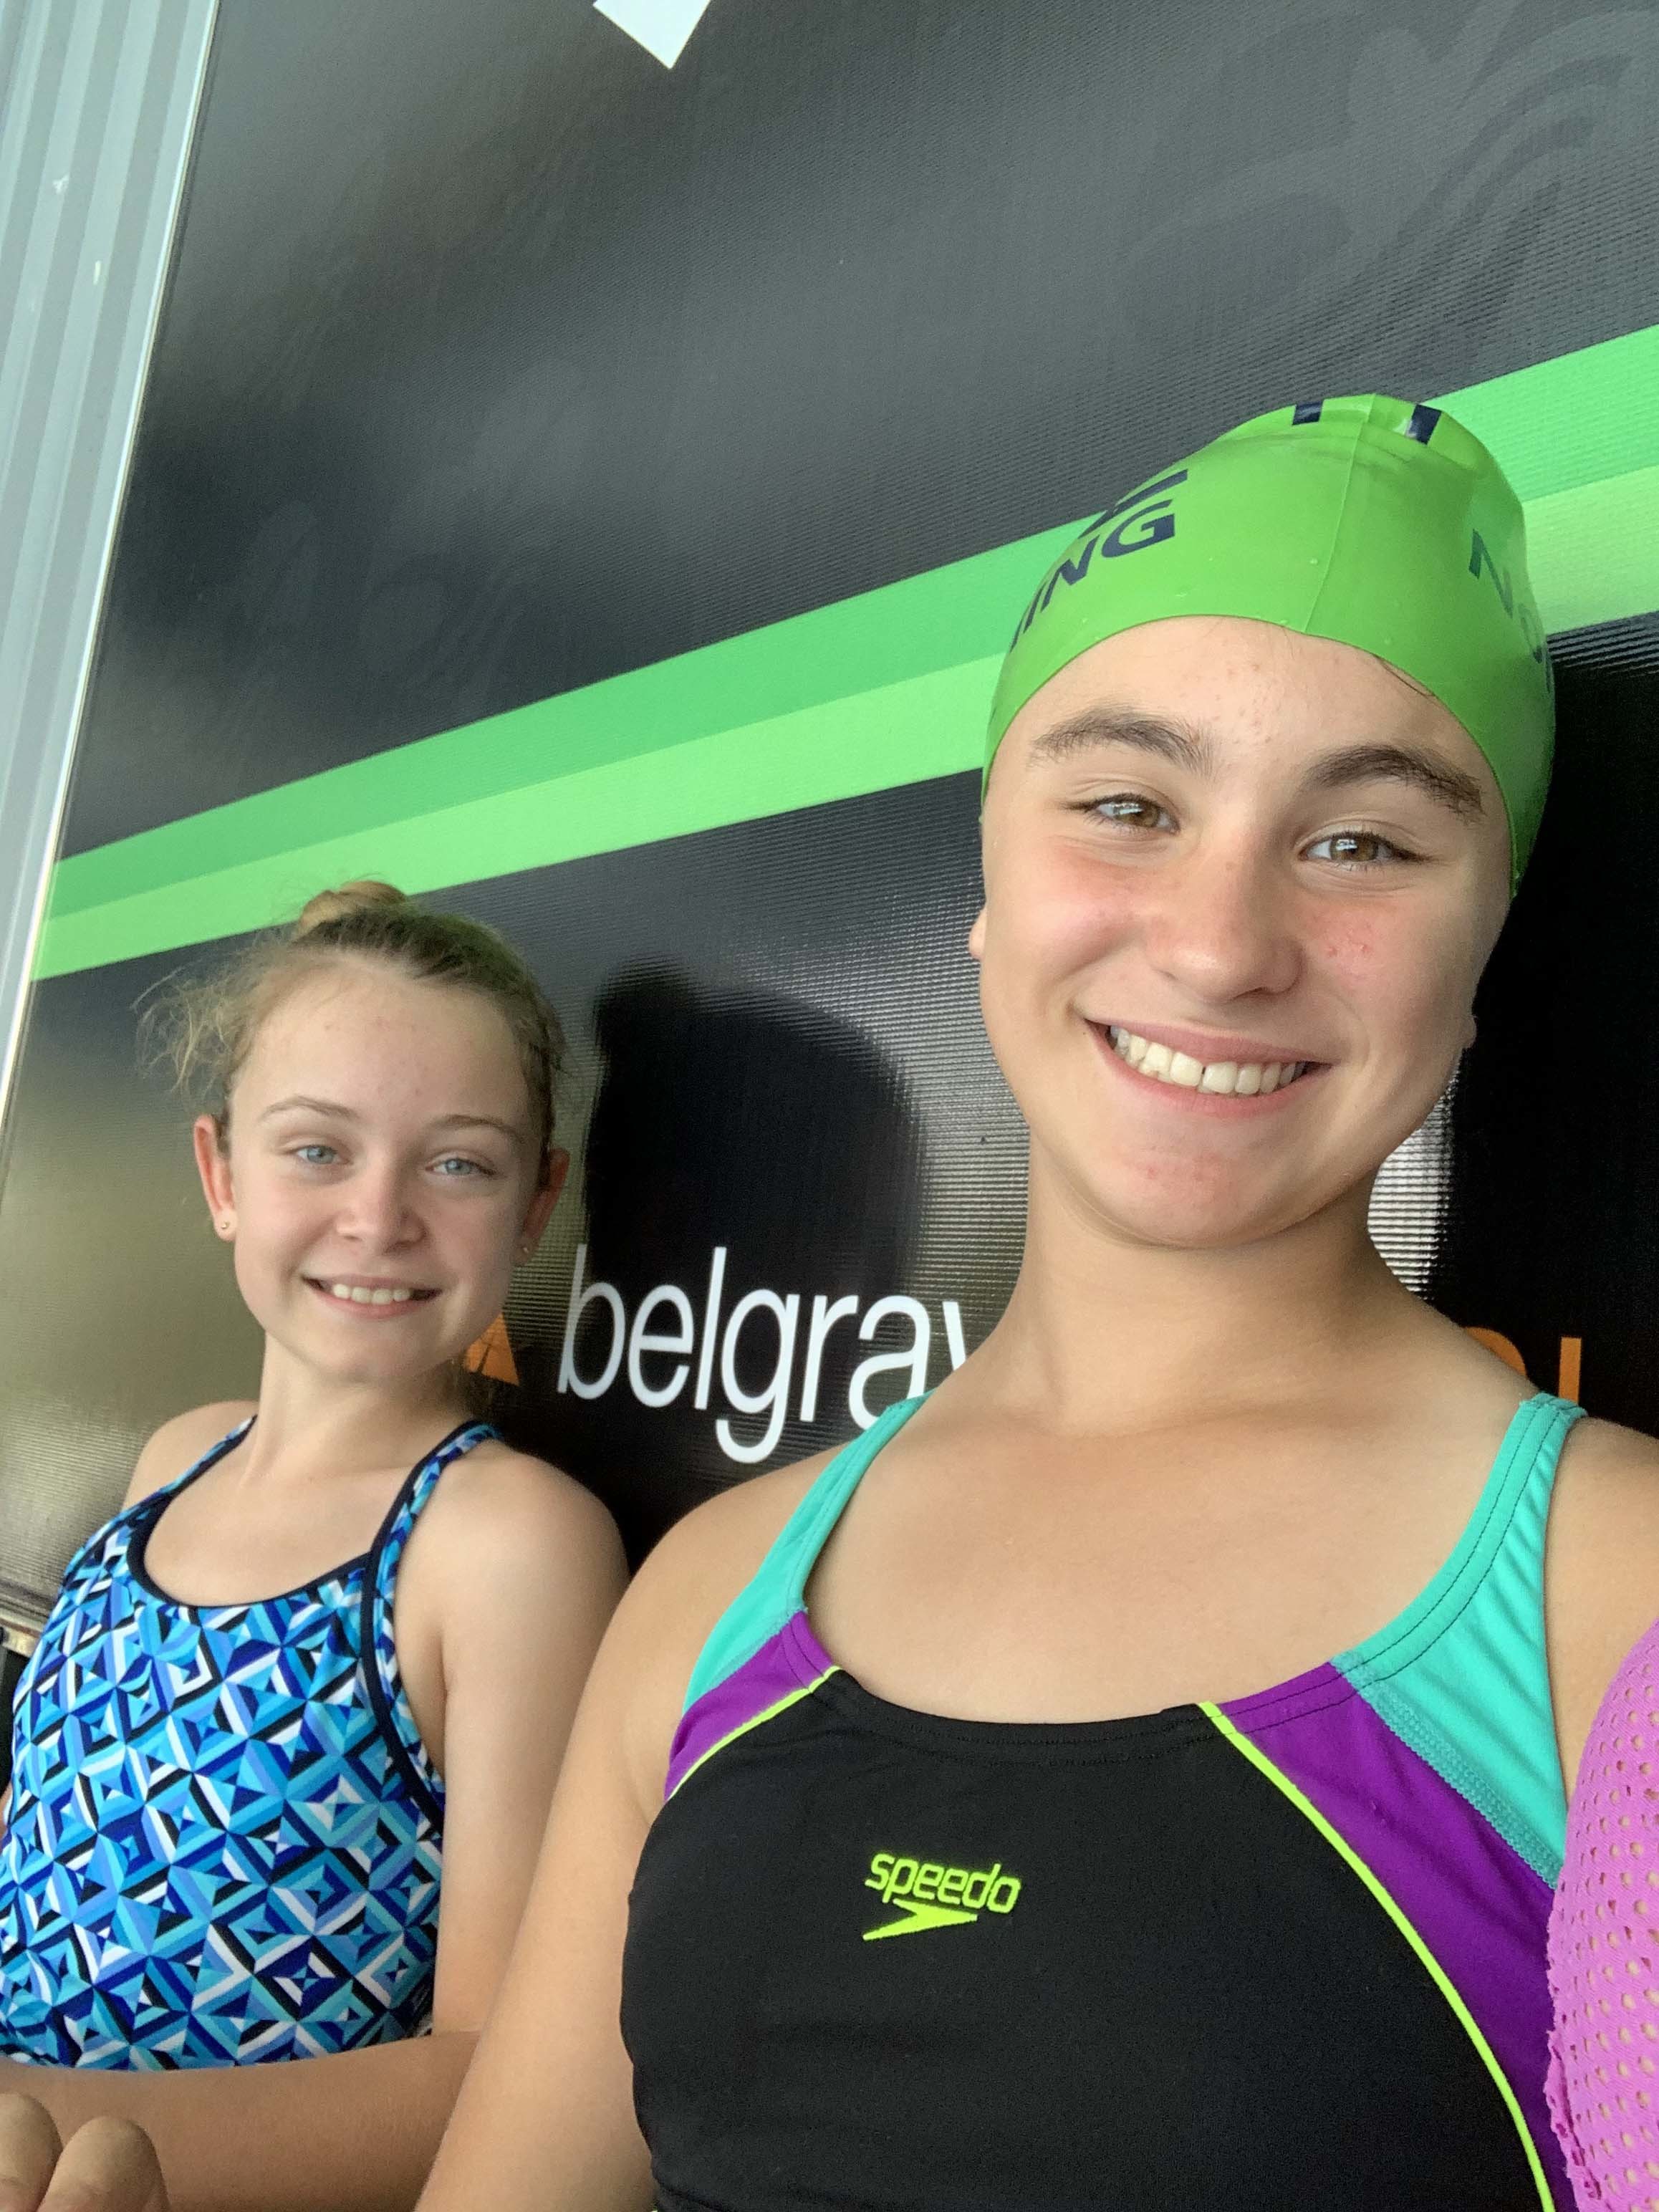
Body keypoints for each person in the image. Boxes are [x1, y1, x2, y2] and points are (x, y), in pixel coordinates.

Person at [14, 397, 1659, 2210]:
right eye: (1128, 804)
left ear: (1480, 949)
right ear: (989, 890)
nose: (1217, 941)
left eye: (1364, 842)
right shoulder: (711, 1599)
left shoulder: (1614, 1597)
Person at [0, 885, 625, 2212]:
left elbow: (500, 2079)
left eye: (458, 1164)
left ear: (535, 1206)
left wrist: (42, 2116)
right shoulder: (176, 1460)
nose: (379, 1217)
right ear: (222, 1175)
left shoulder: (504, 1547)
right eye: (317, 1150)